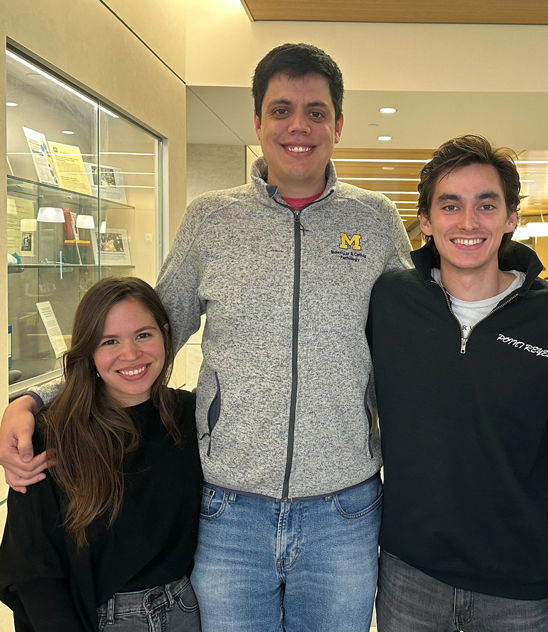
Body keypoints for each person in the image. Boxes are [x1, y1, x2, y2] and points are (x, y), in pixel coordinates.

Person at [0, 43, 412, 632]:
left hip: (342, 511)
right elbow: (138, 336)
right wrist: (35, 398)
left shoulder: (374, 219)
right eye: (281, 110)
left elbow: (421, 333)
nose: (299, 126)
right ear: (258, 122)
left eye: (316, 111)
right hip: (230, 510)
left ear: (339, 124)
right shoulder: (211, 219)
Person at [368, 135, 548, 631]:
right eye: (450, 206)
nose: (468, 223)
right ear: (425, 222)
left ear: (511, 218)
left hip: (518, 581)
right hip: (411, 574)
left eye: (486, 205)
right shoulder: (388, 302)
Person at [0, 277, 202, 632]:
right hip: (97, 620)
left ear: (166, 335)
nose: (131, 354)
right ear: (89, 353)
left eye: (144, 334)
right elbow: (32, 569)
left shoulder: (191, 418)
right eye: (110, 342)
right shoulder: (51, 435)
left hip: (185, 612)